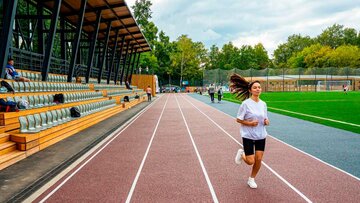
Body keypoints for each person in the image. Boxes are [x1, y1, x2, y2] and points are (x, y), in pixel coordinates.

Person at [230, 74, 270, 189]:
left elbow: (265, 118)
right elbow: (238, 119)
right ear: (250, 90)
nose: (258, 89)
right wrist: (250, 123)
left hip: (261, 135)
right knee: (250, 161)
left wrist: (267, 121)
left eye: (259, 87)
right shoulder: (245, 104)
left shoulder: (263, 104)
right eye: (255, 87)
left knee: (259, 159)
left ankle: (251, 179)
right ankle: (242, 154)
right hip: (248, 135)